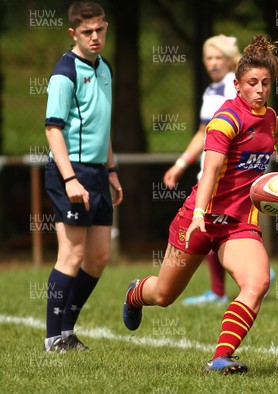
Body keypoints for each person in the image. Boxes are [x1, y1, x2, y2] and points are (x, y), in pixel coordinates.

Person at [122, 35, 278, 375]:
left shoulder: (269, 116)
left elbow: (276, 123)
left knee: (257, 283)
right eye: (252, 83)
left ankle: (220, 357)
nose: (259, 90)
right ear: (237, 85)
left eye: (265, 83)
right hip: (197, 218)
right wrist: (199, 215)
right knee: (164, 295)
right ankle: (135, 293)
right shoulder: (225, 119)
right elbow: (211, 171)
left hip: (239, 223)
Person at [43, 1, 122, 352]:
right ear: (73, 33)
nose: (95, 37)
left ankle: (68, 332)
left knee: (99, 256)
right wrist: (70, 179)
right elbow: (52, 130)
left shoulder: (104, 68)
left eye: (100, 29)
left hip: (97, 172)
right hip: (70, 172)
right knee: (72, 255)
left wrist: (112, 169)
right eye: (87, 32)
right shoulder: (65, 72)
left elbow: (101, 126)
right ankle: (51, 337)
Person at [162, 35, 240, 306]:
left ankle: (242, 273)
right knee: (208, 223)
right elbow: (202, 132)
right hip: (210, 167)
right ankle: (220, 289)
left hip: (228, 171)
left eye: (219, 57)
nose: (214, 63)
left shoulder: (234, 88)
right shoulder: (212, 90)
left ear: (230, 60)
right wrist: (181, 164)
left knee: (214, 222)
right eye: (209, 58)